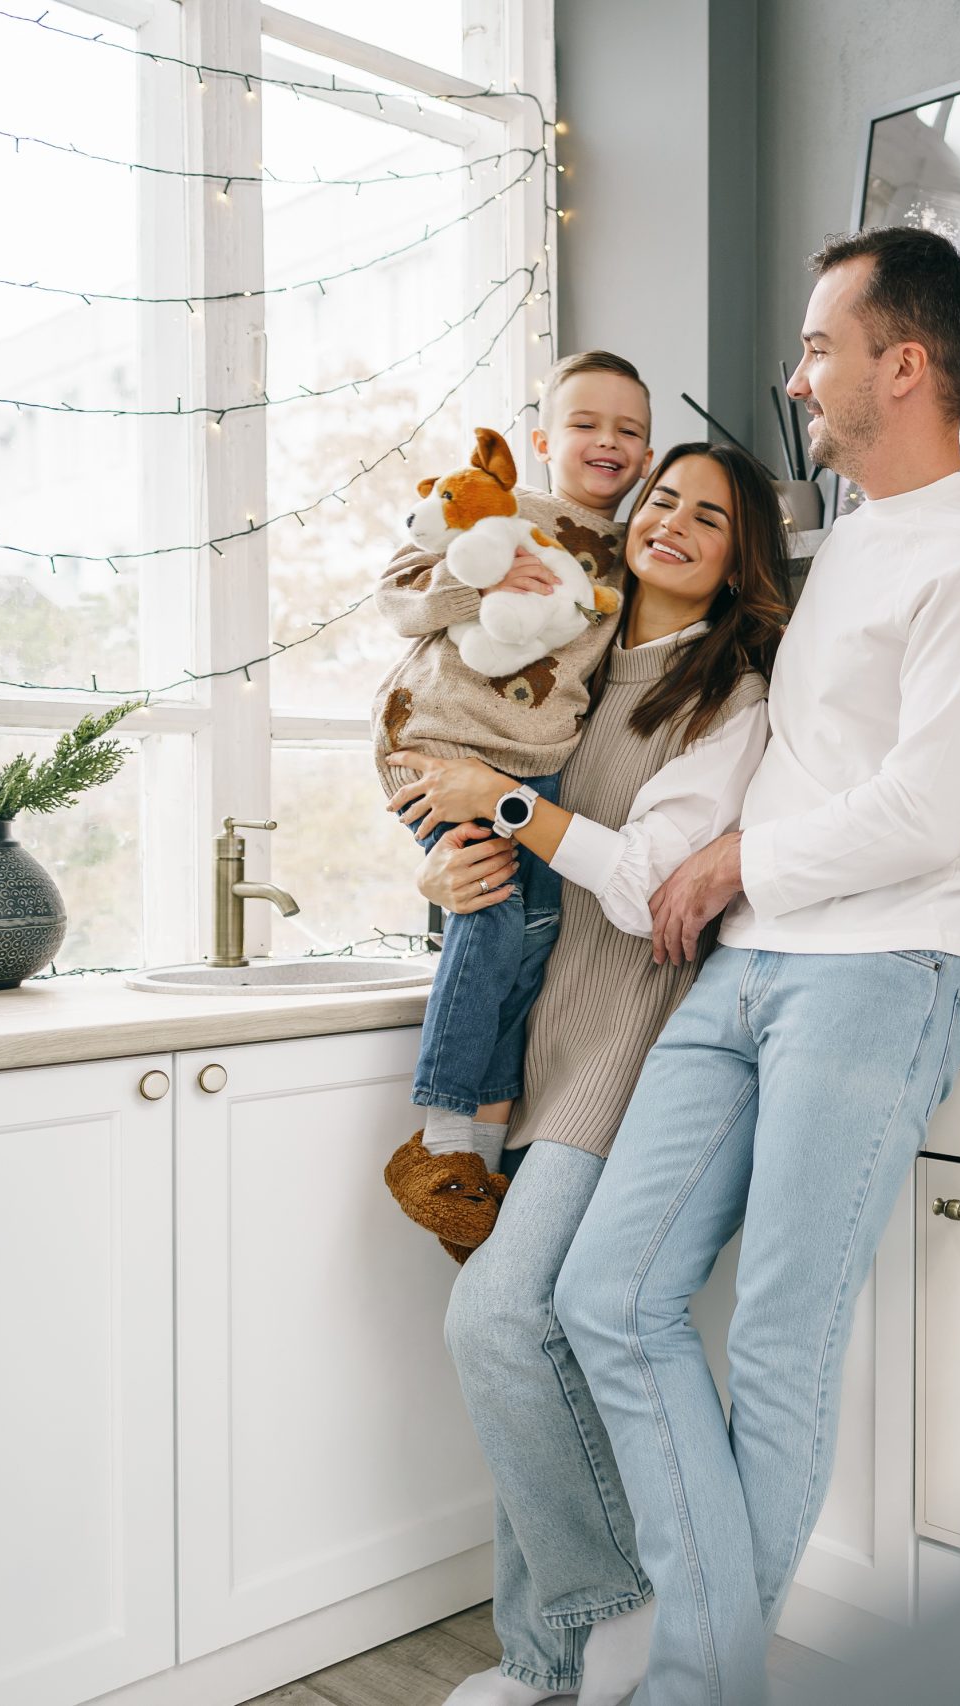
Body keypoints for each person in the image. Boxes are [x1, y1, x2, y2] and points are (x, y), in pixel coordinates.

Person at [554, 226, 960, 1703]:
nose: (797, 373)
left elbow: (933, 806)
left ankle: (692, 1686)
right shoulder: (840, 549)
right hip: (749, 967)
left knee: (777, 1345)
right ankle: (711, 1666)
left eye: (821, 345)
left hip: (880, 970)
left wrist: (731, 866)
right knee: (608, 1293)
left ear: (904, 366)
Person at [385, 441, 791, 1705]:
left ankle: (622, 1606)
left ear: (741, 558)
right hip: (527, 1043)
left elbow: (646, 885)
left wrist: (501, 805)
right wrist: (439, 867)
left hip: (626, 1042)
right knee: (524, 1353)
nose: (672, 520)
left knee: (497, 1318)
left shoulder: (733, 697)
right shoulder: (559, 655)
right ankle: (537, 1662)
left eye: (709, 516)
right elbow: (462, 821)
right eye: (662, 498)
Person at [371, 350, 657, 1256]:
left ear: (646, 455)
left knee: (526, 953)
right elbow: (397, 590)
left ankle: (478, 1171)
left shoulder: (636, 555)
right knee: (493, 925)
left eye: (629, 430)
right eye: (585, 423)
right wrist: (483, 583)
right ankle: (443, 1144)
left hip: (527, 770)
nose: (607, 441)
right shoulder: (504, 511)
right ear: (540, 439)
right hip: (444, 743)